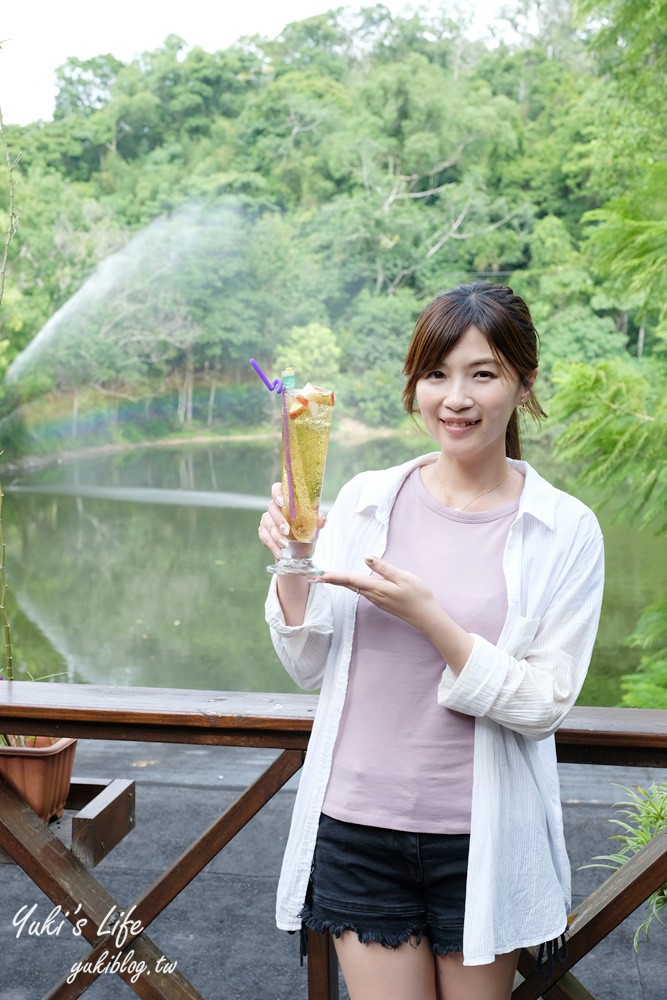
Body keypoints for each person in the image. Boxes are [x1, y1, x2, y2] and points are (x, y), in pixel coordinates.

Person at [258, 282, 604, 1000]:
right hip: (357, 824)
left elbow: (543, 702)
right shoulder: (363, 499)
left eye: (483, 373)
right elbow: (308, 661)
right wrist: (294, 560)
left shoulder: (563, 528)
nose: (455, 397)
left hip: (484, 837)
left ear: (522, 383)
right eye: (435, 374)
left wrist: (432, 619)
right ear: (413, 385)